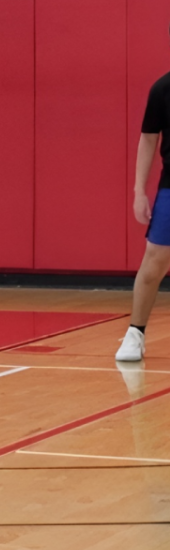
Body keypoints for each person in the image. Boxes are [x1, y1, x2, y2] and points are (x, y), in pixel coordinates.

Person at [117, 33, 170, 362]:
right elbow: (148, 140)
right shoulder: (162, 89)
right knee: (154, 261)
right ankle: (135, 333)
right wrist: (139, 191)